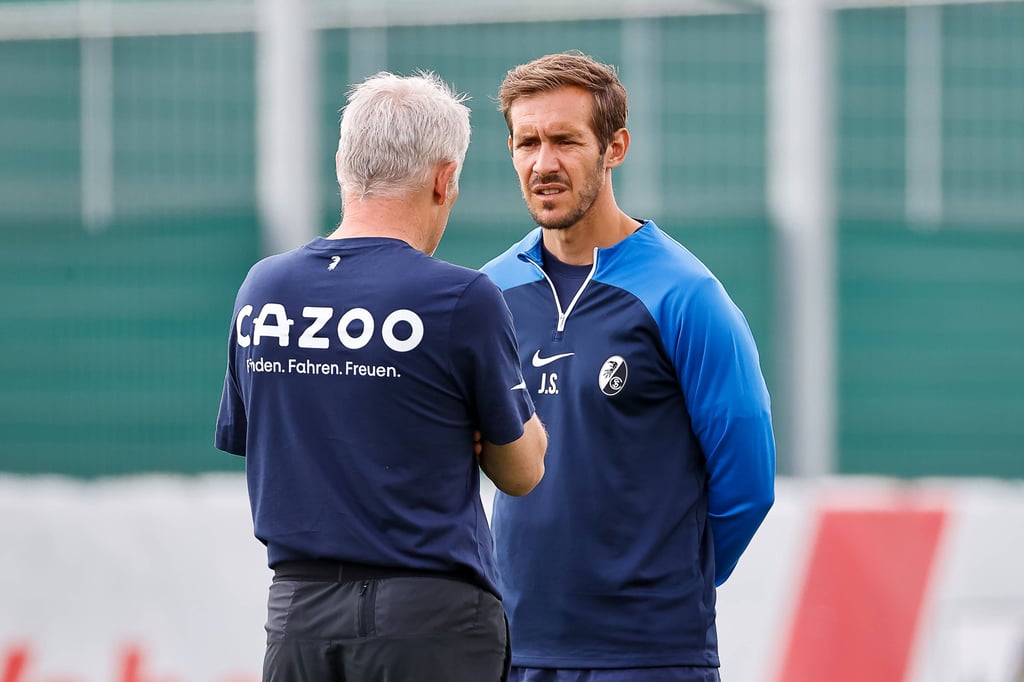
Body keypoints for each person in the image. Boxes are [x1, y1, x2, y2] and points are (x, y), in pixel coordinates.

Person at [215, 70, 547, 682]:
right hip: (429, 619)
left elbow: (263, 437)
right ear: (445, 179)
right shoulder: (460, 299)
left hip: (297, 616)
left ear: (344, 166)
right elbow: (522, 470)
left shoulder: (262, 291)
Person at [480, 51, 776, 682]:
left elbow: (748, 480)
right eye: (526, 142)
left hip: (650, 656)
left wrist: (660, 587)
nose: (544, 163)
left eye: (565, 140)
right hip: (516, 650)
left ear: (615, 147)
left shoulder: (685, 294)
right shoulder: (488, 294)